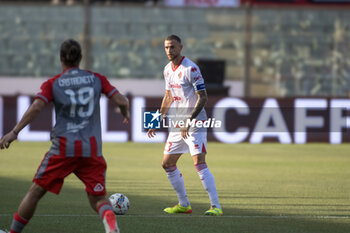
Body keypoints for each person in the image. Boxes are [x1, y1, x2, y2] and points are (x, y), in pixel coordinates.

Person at [0, 39, 130, 233]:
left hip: (63, 147)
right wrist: (125, 112)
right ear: (81, 58)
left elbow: (36, 107)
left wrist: (14, 132)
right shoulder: (96, 79)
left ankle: (13, 232)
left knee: (35, 192)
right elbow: (122, 100)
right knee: (98, 198)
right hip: (91, 149)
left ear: (61, 58)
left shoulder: (53, 83)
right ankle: (109, 221)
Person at [147, 35, 223, 216]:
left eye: (172, 47)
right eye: (166, 47)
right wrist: (156, 119)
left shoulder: (191, 68)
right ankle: (184, 204)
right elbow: (168, 97)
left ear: (180, 47)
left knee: (199, 162)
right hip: (178, 121)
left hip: (195, 121)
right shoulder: (167, 69)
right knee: (167, 164)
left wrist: (189, 121)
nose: (169, 51)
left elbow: (203, 97)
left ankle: (216, 206)